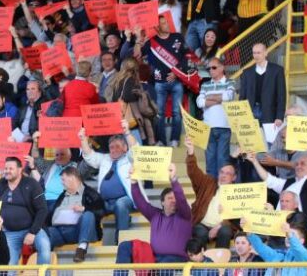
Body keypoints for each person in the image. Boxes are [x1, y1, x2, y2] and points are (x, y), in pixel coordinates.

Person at [115, 164, 191, 264]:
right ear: (162, 202)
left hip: (177, 260)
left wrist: (173, 180)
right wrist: (134, 182)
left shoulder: (185, 214)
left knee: (165, 263)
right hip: (154, 258)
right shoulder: (155, 215)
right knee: (124, 246)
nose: (174, 200)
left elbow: (181, 199)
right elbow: (140, 202)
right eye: (170, 198)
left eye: (175, 198)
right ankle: (120, 273)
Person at [80, 123, 137, 244]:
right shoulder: (105, 158)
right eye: (111, 147)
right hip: (105, 201)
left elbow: (136, 150)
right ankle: (92, 240)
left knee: (121, 204)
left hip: (125, 199)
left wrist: (127, 132)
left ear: (125, 148)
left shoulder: (130, 158)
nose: (114, 149)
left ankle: (121, 241)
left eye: (117, 146)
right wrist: (83, 139)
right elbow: (89, 156)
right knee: (90, 207)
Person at [0, 157, 50, 266]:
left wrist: (32, 232)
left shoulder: (32, 184)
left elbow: (42, 209)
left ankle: (43, 273)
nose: (7, 171)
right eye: (5, 168)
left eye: (11, 168)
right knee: (10, 264)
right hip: (8, 232)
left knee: (44, 246)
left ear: (20, 169)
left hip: (32, 228)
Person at [139, 15, 187, 147]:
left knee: (176, 112)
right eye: (164, 23)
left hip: (177, 81)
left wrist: (176, 72)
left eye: (167, 22)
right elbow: (138, 54)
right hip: (159, 82)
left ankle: (175, 139)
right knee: (159, 113)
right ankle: (161, 140)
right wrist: (139, 39)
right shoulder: (152, 41)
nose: (167, 24)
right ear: (157, 27)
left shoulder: (178, 37)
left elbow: (186, 57)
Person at [185, 137, 237, 249]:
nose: (223, 176)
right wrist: (190, 152)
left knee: (225, 231)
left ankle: (220, 259)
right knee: (200, 232)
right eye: (222, 172)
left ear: (234, 178)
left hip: (222, 227)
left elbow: (236, 220)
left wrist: (218, 227)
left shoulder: (237, 193)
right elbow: (193, 172)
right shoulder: (208, 182)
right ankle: (200, 259)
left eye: (228, 173)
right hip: (202, 224)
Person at [46, 166, 104, 262]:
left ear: (72, 178)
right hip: (59, 232)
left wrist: (83, 208)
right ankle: (45, 263)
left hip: (79, 231)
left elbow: (101, 211)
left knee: (88, 215)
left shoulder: (90, 193)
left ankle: (82, 248)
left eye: (63, 179)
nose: (62, 183)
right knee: (45, 233)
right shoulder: (62, 195)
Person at [196, 57, 235, 177]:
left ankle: (222, 187)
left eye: (214, 67)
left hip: (224, 127)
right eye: (209, 68)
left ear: (222, 68)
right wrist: (219, 99)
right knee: (210, 161)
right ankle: (212, 187)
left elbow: (229, 96)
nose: (211, 70)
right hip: (208, 128)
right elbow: (199, 103)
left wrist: (209, 97)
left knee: (222, 160)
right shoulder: (205, 84)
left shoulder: (230, 82)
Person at [246, 151, 307, 220]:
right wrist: (255, 162)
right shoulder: (289, 183)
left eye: (303, 164)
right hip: (279, 222)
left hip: (301, 224)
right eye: (296, 164)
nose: (298, 166)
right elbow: (269, 179)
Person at [238, 43, 286, 127]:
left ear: (266, 53)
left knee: (267, 136)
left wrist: (279, 117)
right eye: (254, 53)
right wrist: (242, 115)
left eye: (258, 53)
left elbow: (281, 96)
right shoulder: (247, 72)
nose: (256, 55)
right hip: (251, 112)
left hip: (270, 112)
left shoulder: (277, 70)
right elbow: (242, 96)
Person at [243, 222, 307, 276]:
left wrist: (289, 234)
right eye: (286, 235)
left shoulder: (305, 257)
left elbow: (298, 249)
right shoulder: (278, 256)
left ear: (302, 241)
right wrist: (249, 232)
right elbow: (260, 247)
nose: (287, 237)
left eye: (293, 234)